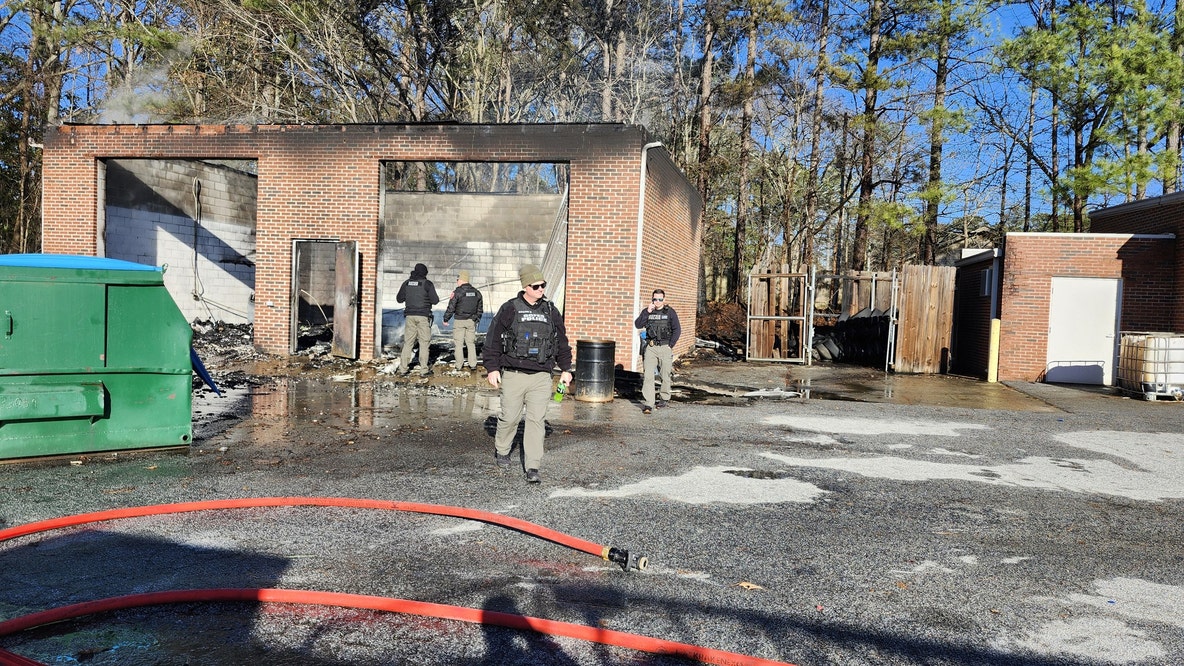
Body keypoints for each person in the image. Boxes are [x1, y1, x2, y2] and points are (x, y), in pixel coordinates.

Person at [483, 264, 573, 484]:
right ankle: (503, 450)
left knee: (536, 421)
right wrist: (492, 368)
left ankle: (533, 465)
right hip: (514, 374)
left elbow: (561, 342)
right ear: (525, 286)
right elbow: (493, 339)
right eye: (536, 286)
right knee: (510, 417)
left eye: (543, 285)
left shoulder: (551, 310)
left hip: (541, 376)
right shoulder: (510, 308)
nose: (541, 289)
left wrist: (566, 370)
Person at [634, 288, 681, 414]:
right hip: (650, 348)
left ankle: (664, 398)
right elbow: (638, 325)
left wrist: (670, 345)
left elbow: (677, 330)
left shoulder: (670, 312)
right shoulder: (648, 312)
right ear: (652, 299)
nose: (657, 301)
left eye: (660, 299)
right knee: (648, 376)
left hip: (665, 347)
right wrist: (647, 312)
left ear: (664, 300)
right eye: (655, 299)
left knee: (664, 375)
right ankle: (649, 403)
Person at [397, 263, 440, 375]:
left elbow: (399, 299)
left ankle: (402, 369)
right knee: (424, 343)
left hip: (410, 317)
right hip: (423, 317)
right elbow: (435, 300)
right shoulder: (427, 284)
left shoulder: (407, 283)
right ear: (425, 273)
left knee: (408, 343)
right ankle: (424, 370)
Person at [442, 270, 484, 372]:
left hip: (459, 321)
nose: (457, 281)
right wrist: (476, 319)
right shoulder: (477, 293)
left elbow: (451, 307)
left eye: (458, 279)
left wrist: (445, 319)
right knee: (471, 343)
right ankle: (473, 364)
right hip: (471, 321)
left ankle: (459, 365)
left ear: (461, 280)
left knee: (459, 344)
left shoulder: (457, 292)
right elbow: (480, 309)